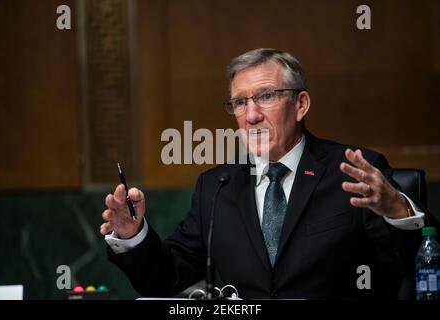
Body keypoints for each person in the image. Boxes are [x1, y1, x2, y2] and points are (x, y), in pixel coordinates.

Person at [100, 48, 429, 299]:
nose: (251, 115)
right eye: (240, 103)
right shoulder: (216, 186)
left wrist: (397, 210)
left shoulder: (355, 172)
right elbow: (166, 281)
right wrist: (133, 235)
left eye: (267, 96)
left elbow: (419, 266)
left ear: (301, 104)